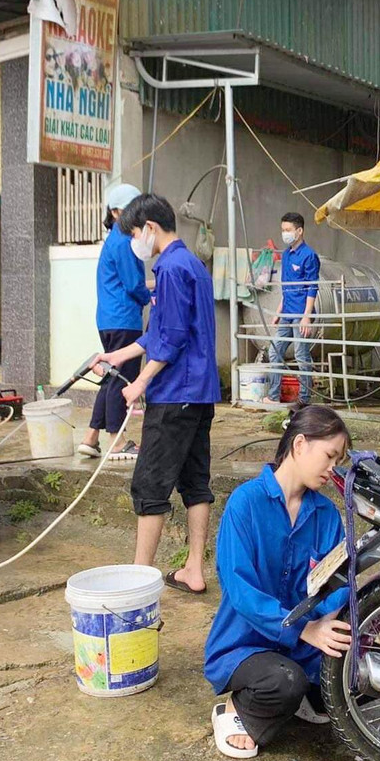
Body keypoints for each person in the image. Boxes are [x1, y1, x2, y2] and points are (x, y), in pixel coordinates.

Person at [204, 405, 353, 758]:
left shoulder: (326, 514)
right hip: (245, 644)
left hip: (305, 645)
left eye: (339, 460)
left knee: (363, 673)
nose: (333, 468)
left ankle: (303, 695)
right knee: (285, 682)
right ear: (299, 445)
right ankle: (236, 710)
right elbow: (240, 591)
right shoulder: (245, 503)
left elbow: (339, 581)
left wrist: (326, 625)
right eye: (329, 456)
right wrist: (304, 629)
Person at [93, 193, 220, 594]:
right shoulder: (193, 266)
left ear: (149, 228)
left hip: (174, 394)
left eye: (134, 234)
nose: (135, 242)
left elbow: (171, 338)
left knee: (150, 486)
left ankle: (137, 580)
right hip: (199, 393)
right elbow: (160, 331)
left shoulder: (169, 268)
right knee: (195, 482)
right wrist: (119, 354)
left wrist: (141, 381)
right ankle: (194, 569)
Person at [79, 183, 150, 461]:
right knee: (120, 378)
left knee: (110, 377)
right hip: (124, 318)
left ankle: (91, 437)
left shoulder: (113, 239)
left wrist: (149, 286)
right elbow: (133, 285)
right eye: (131, 209)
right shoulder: (124, 240)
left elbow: (128, 281)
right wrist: (149, 296)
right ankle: (116, 441)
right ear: (116, 212)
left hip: (110, 318)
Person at [263, 213, 319, 405]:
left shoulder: (309, 255)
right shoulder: (286, 255)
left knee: (301, 355)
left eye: (288, 230)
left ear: (299, 231)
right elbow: (286, 287)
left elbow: (312, 287)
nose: (284, 234)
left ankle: (304, 399)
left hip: (301, 314)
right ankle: (273, 396)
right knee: (274, 351)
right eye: (283, 230)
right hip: (287, 312)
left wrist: (306, 316)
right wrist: (279, 311)